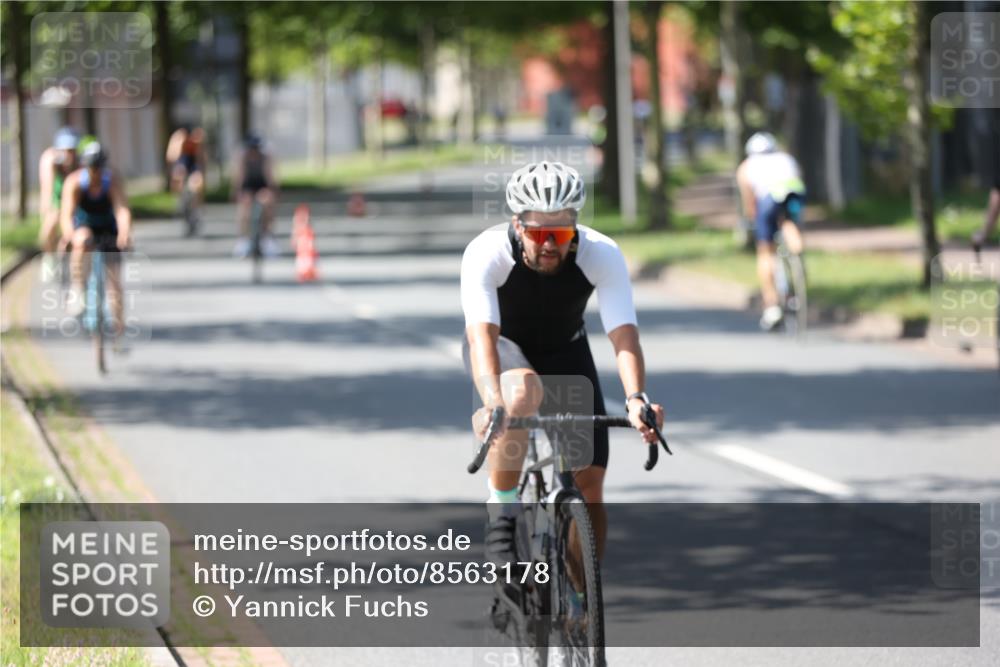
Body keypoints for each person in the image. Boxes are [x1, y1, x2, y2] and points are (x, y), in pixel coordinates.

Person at [460, 161, 665, 571]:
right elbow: (481, 337)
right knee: (521, 393)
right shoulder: (487, 252)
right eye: (539, 233)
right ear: (518, 226)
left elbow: (624, 335)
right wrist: (492, 401)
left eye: (561, 233)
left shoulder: (600, 253)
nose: (550, 244)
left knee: (589, 489)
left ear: (575, 227)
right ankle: (501, 513)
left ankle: (577, 605)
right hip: (505, 349)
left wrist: (636, 398)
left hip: (564, 349)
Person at [59, 142, 132, 341]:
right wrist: (69, 235)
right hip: (85, 227)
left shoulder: (112, 181)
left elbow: (121, 209)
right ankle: (77, 288)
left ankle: (119, 330)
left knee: (115, 284)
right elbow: (66, 214)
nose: (96, 173)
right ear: (85, 166)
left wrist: (124, 233)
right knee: (82, 240)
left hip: (108, 228)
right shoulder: (74, 183)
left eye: (99, 168)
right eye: (92, 168)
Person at [736, 131, 807, 331]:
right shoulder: (786, 158)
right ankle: (798, 256)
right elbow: (799, 178)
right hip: (793, 192)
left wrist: (752, 219)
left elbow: (749, 201)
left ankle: (772, 304)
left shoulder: (746, 166)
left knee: (765, 252)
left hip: (767, 199)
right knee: (788, 222)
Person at [38, 127, 81, 280]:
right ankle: (49, 257)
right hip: (57, 199)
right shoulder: (51, 161)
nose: (69, 154)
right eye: (66, 150)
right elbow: (47, 189)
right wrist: (48, 209)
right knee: (48, 228)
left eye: (72, 150)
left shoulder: (81, 163)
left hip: (74, 202)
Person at [231, 133, 280, 258]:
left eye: (256, 149)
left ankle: (268, 237)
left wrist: (274, 192)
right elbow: (239, 178)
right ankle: (243, 239)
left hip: (261, 184)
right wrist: (236, 192)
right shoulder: (242, 157)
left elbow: (270, 178)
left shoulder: (266, 156)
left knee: (267, 201)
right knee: (245, 204)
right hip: (248, 185)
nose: (253, 152)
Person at [165, 124, 207, 233]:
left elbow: (201, 160)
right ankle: (183, 204)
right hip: (181, 162)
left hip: (193, 164)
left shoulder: (198, 141)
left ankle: (196, 210)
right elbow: (171, 157)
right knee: (179, 176)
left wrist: (201, 176)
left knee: (197, 184)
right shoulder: (178, 138)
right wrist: (173, 177)